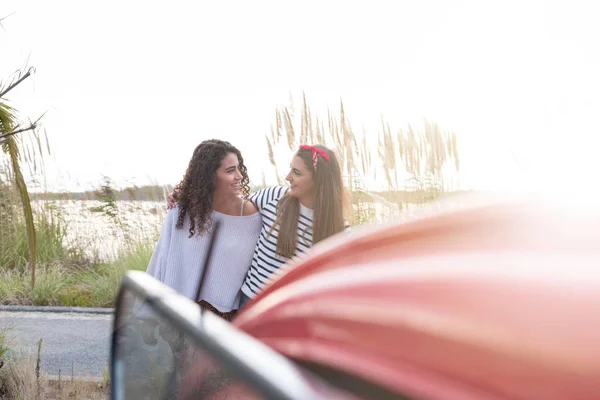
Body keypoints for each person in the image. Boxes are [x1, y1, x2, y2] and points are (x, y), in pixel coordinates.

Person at [167, 144, 350, 309]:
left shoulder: (340, 231)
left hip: (290, 314)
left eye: (297, 173)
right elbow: (230, 208)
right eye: (290, 170)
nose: (288, 177)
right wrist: (185, 196)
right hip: (249, 303)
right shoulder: (274, 197)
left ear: (319, 180)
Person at [147, 139, 262, 321]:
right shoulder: (180, 210)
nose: (239, 176)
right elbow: (161, 261)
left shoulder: (252, 216)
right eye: (230, 170)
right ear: (209, 176)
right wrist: (148, 314)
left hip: (224, 317)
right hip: (178, 314)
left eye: (239, 168)